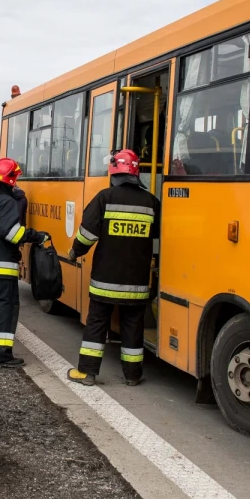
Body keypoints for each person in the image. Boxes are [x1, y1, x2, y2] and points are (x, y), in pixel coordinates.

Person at [66, 149, 160, 387]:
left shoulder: (104, 198)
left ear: (114, 172)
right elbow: (159, 237)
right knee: (133, 326)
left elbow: (87, 235)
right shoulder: (151, 202)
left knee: (97, 324)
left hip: (105, 281)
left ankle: (87, 373)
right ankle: (132, 375)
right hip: (137, 282)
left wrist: (75, 251)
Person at [0, 158, 47, 366]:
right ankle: (1, 354)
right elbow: (11, 233)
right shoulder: (7, 202)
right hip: (2, 267)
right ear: (11, 179)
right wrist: (36, 235)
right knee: (4, 309)